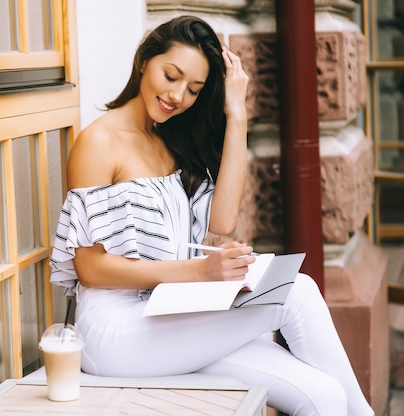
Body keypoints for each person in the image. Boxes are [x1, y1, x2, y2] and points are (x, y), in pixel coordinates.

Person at [49, 15, 373, 416]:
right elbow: (90, 269)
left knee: (325, 398)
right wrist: (200, 273)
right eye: (171, 75)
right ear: (144, 62)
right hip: (113, 333)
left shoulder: (169, 139)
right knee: (297, 290)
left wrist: (237, 114)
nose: (178, 95)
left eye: (193, 89)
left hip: (167, 314)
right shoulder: (98, 142)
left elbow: (222, 222)